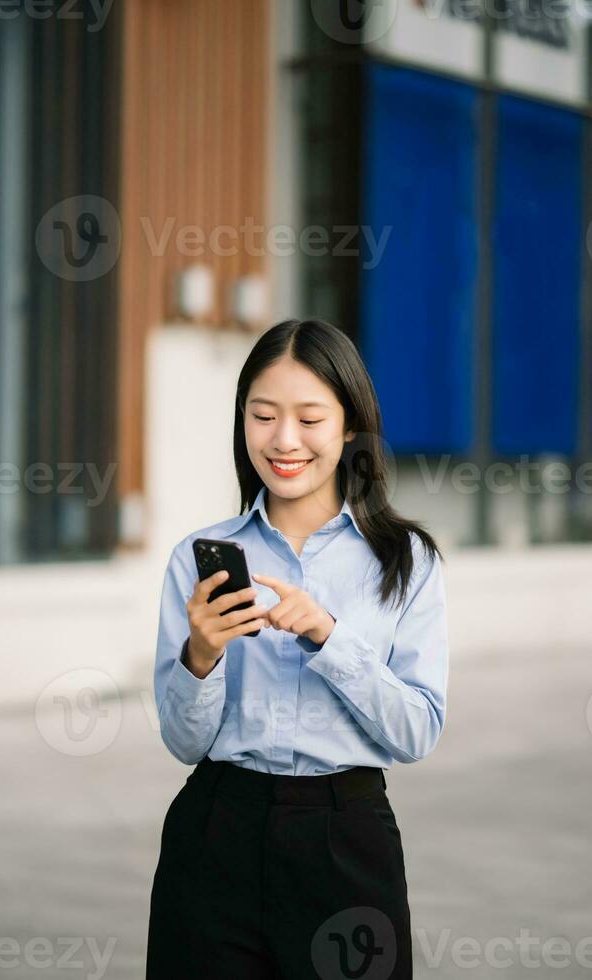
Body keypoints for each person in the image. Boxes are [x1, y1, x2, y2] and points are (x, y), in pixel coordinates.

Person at [146, 318, 449, 980]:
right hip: (216, 831)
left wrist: (329, 636)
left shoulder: (404, 561)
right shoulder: (194, 560)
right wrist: (200, 656)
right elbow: (182, 742)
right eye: (262, 416)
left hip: (346, 841)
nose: (283, 440)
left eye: (309, 418)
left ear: (348, 428)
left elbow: (416, 730)